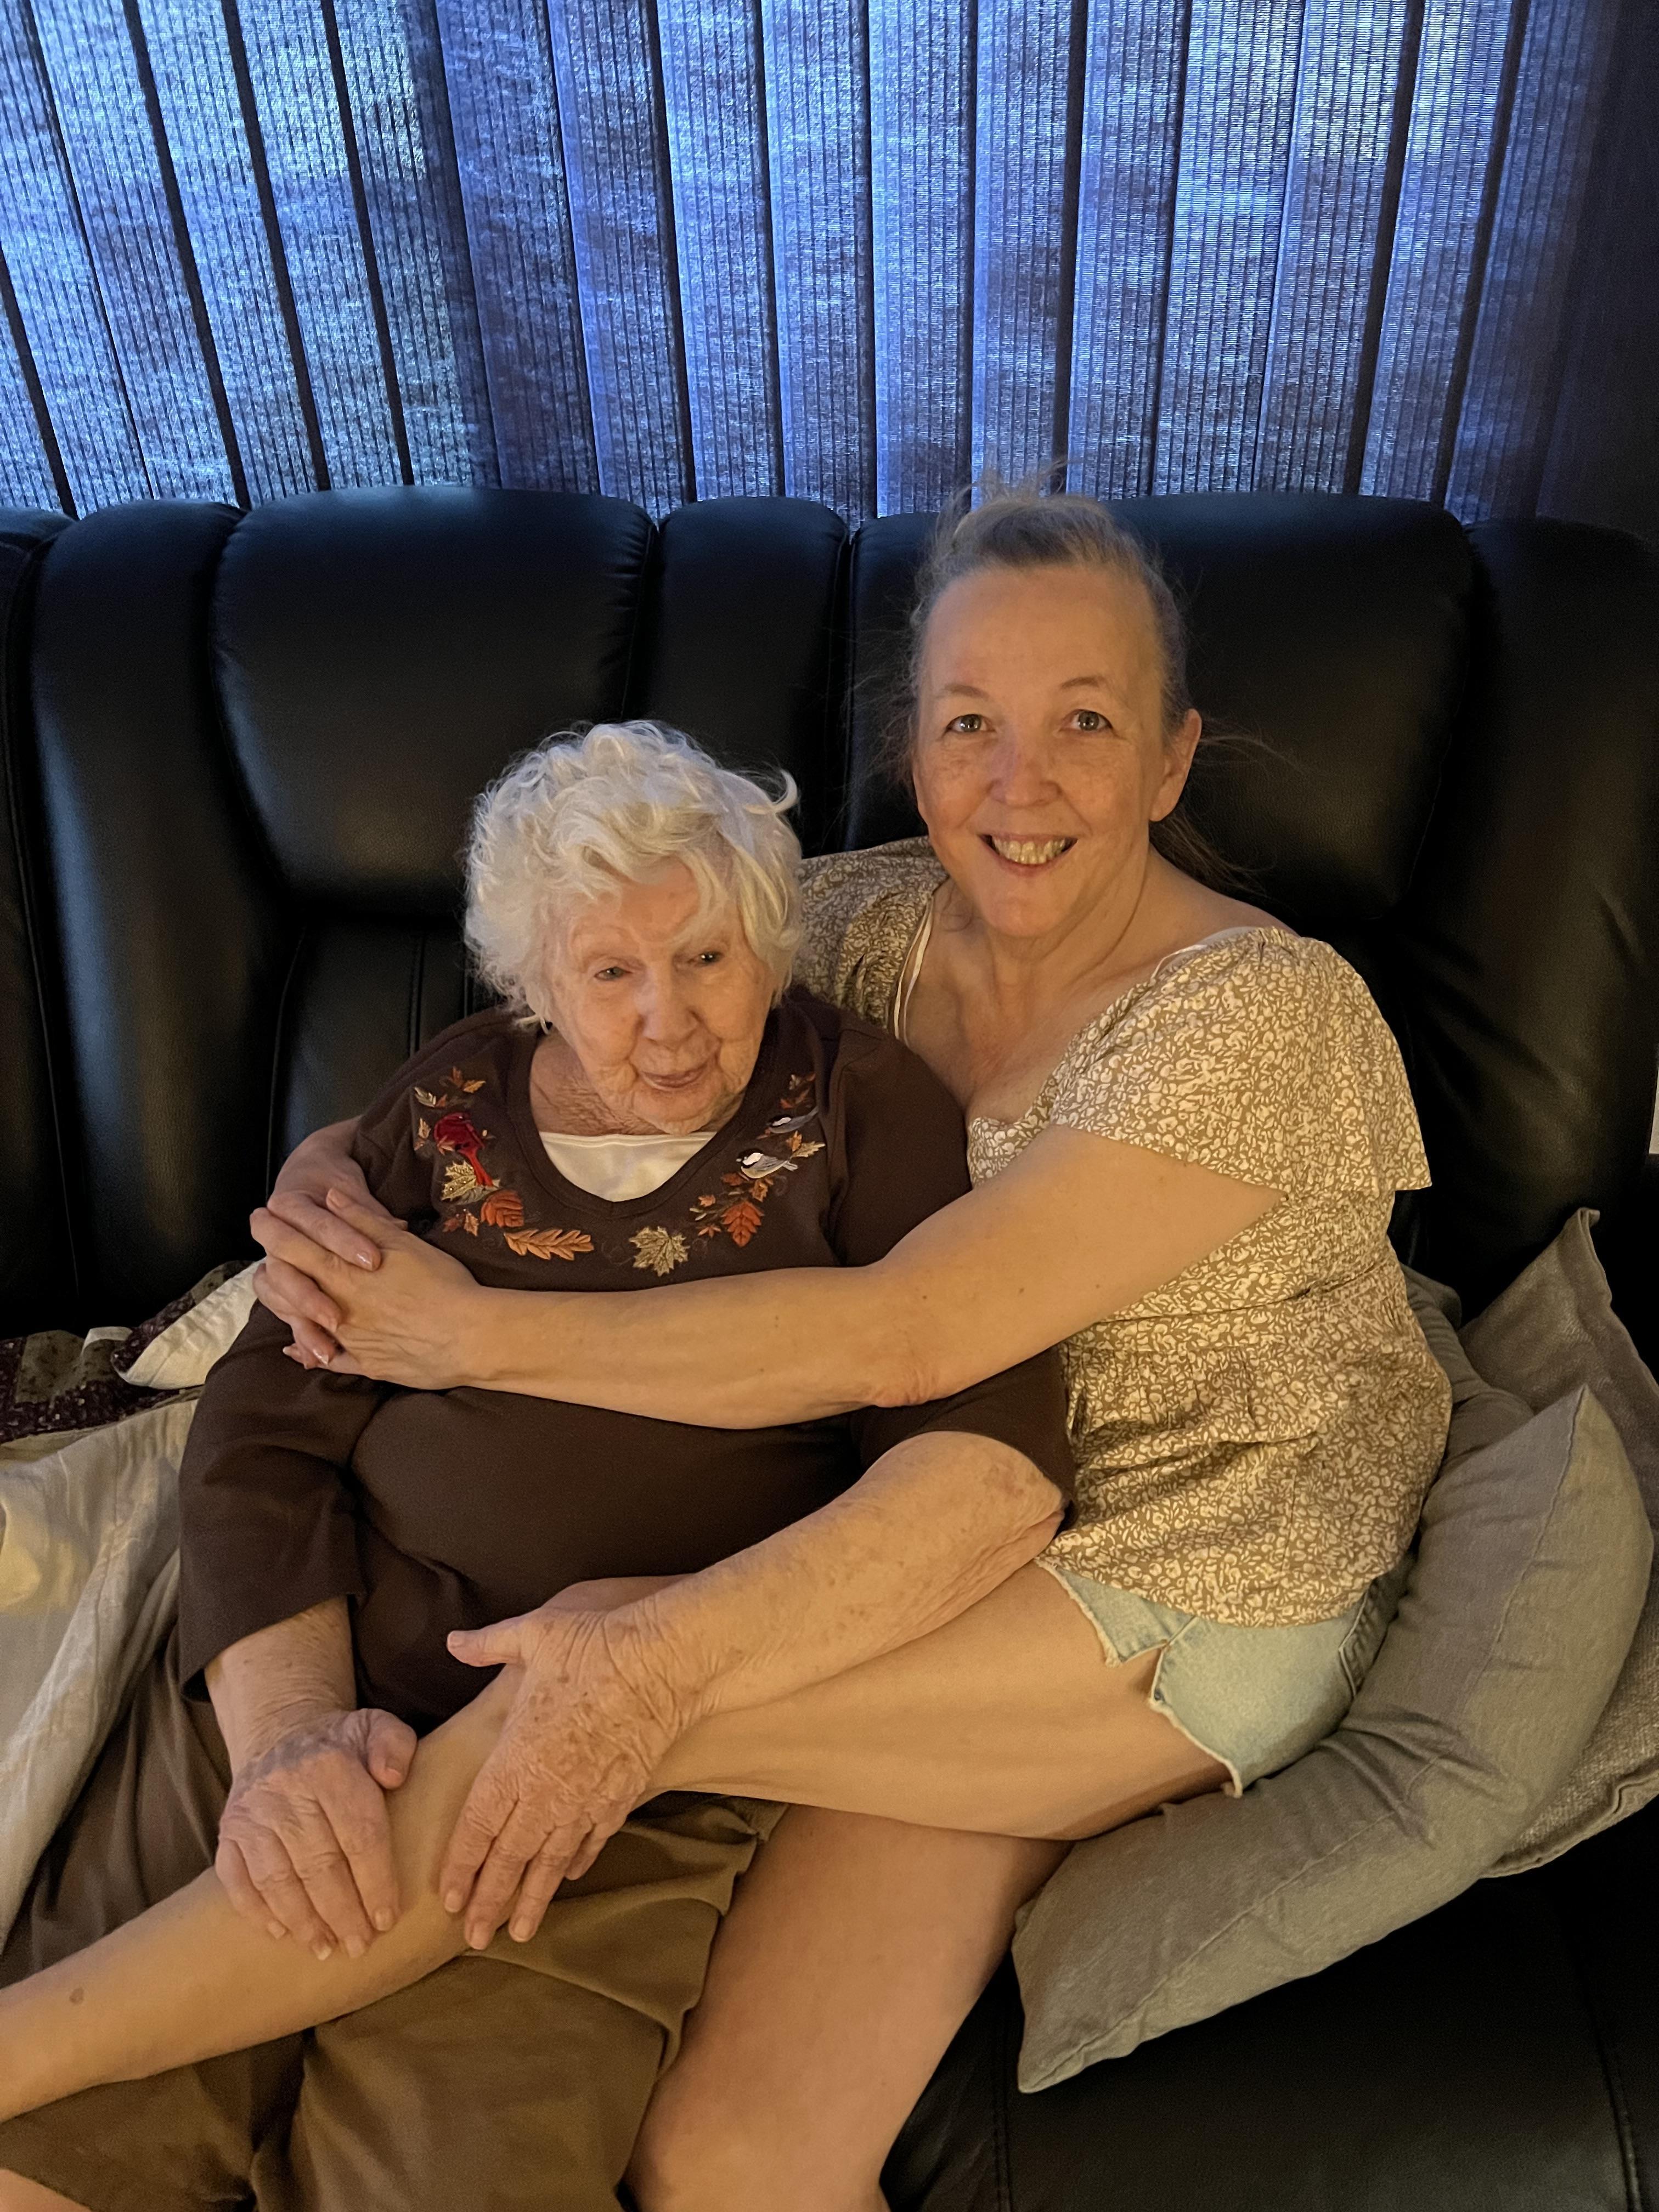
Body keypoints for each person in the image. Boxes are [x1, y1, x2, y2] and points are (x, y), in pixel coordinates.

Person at [8, 485, 1454, 2212]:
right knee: (729, 2166)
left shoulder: (1268, 1013)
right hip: (925, 1552)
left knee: (586, 1686)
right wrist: (332, 1173)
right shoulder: (851, 919)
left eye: (1086, 722)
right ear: (912, 751)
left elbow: (914, 1332)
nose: (1021, 782)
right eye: (969, 724)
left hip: (1180, 1572)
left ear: (1171, 757)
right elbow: (544, 1025)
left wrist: (469, 1332)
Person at [0, 721, 1078, 2212]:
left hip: (607, 1784)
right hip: (304, 1693)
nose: (668, 1020)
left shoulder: (860, 1112)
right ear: (534, 987)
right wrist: (291, 1734)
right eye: (610, 972)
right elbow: (263, 1424)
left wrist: (680, 1663)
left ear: (768, 947)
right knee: (47, 2156)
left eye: (706, 958)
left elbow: (970, 1448)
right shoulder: (448, 1107)